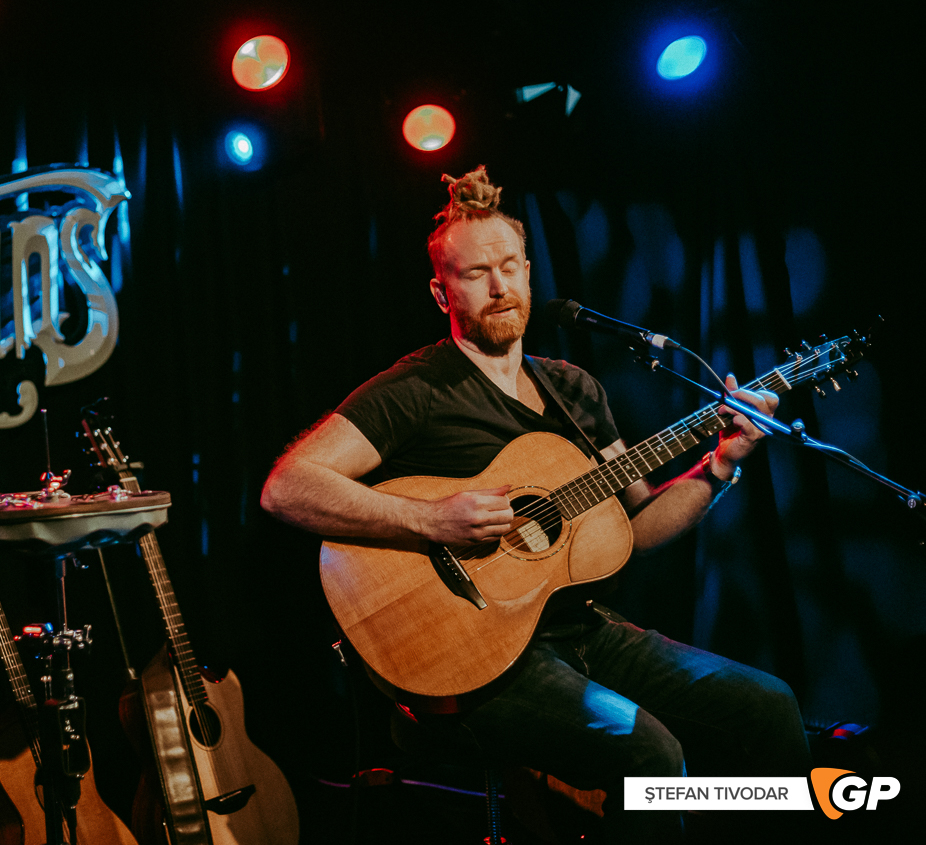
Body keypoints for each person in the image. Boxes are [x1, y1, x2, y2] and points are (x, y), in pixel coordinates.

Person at [260, 168, 811, 842]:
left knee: (770, 708)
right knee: (653, 757)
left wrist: (721, 463)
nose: (500, 287)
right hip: (474, 660)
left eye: (511, 268)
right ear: (441, 290)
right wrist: (432, 519)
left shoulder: (572, 390)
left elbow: (636, 526)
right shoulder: (416, 388)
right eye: (476, 273)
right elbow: (287, 487)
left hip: (577, 628)